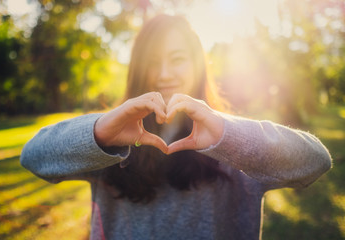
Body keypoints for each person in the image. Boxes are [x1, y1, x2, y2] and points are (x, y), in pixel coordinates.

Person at [20, 14, 332, 240]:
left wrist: (227, 135)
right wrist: (100, 134)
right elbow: (33, 157)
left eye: (178, 59)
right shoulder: (107, 142)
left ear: (198, 64)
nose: (164, 73)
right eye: (153, 61)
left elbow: (316, 161)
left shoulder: (234, 142)